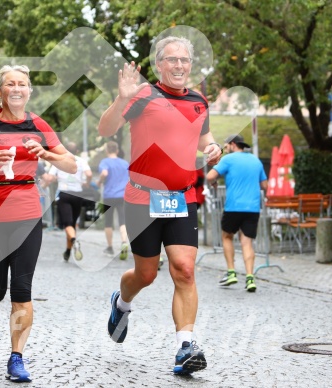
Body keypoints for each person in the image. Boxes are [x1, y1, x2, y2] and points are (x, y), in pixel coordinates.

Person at [97, 36, 223, 375]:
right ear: (159, 65)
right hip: (141, 198)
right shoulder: (142, 96)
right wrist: (120, 99)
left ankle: (186, 346)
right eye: (172, 59)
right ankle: (121, 303)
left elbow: (204, 139)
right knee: (146, 274)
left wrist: (213, 149)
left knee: (184, 269)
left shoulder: (199, 101)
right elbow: (104, 128)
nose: (179, 65)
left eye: (184, 60)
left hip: (183, 197)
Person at [0, 65, 76, 382]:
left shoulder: (38, 124)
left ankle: (17, 358)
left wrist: (46, 154)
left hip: (26, 211)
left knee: (21, 289)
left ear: (29, 91)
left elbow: (71, 164)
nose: (17, 88)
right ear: (1, 91)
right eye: (10, 84)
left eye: (22, 83)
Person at [205, 134, 268, 292]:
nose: (226, 150)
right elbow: (265, 185)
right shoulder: (255, 160)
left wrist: (214, 182)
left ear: (233, 145)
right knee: (247, 242)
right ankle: (250, 278)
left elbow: (210, 176)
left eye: (226, 147)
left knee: (227, 236)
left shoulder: (228, 159)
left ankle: (231, 272)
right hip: (253, 207)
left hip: (233, 206)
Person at [46, 142, 92, 261]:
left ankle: (73, 240)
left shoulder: (59, 159)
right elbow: (89, 174)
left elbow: (50, 178)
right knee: (72, 224)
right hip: (78, 194)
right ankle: (68, 251)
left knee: (67, 223)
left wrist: (55, 179)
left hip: (64, 194)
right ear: (77, 151)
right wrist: (86, 182)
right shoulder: (81, 161)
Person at [98, 141, 129, 259]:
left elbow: (104, 173)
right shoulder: (125, 163)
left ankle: (110, 247)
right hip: (122, 195)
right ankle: (124, 242)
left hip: (109, 195)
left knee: (108, 221)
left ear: (107, 151)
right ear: (117, 151)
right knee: (122, 220)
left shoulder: (105, 162)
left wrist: (100, 181)